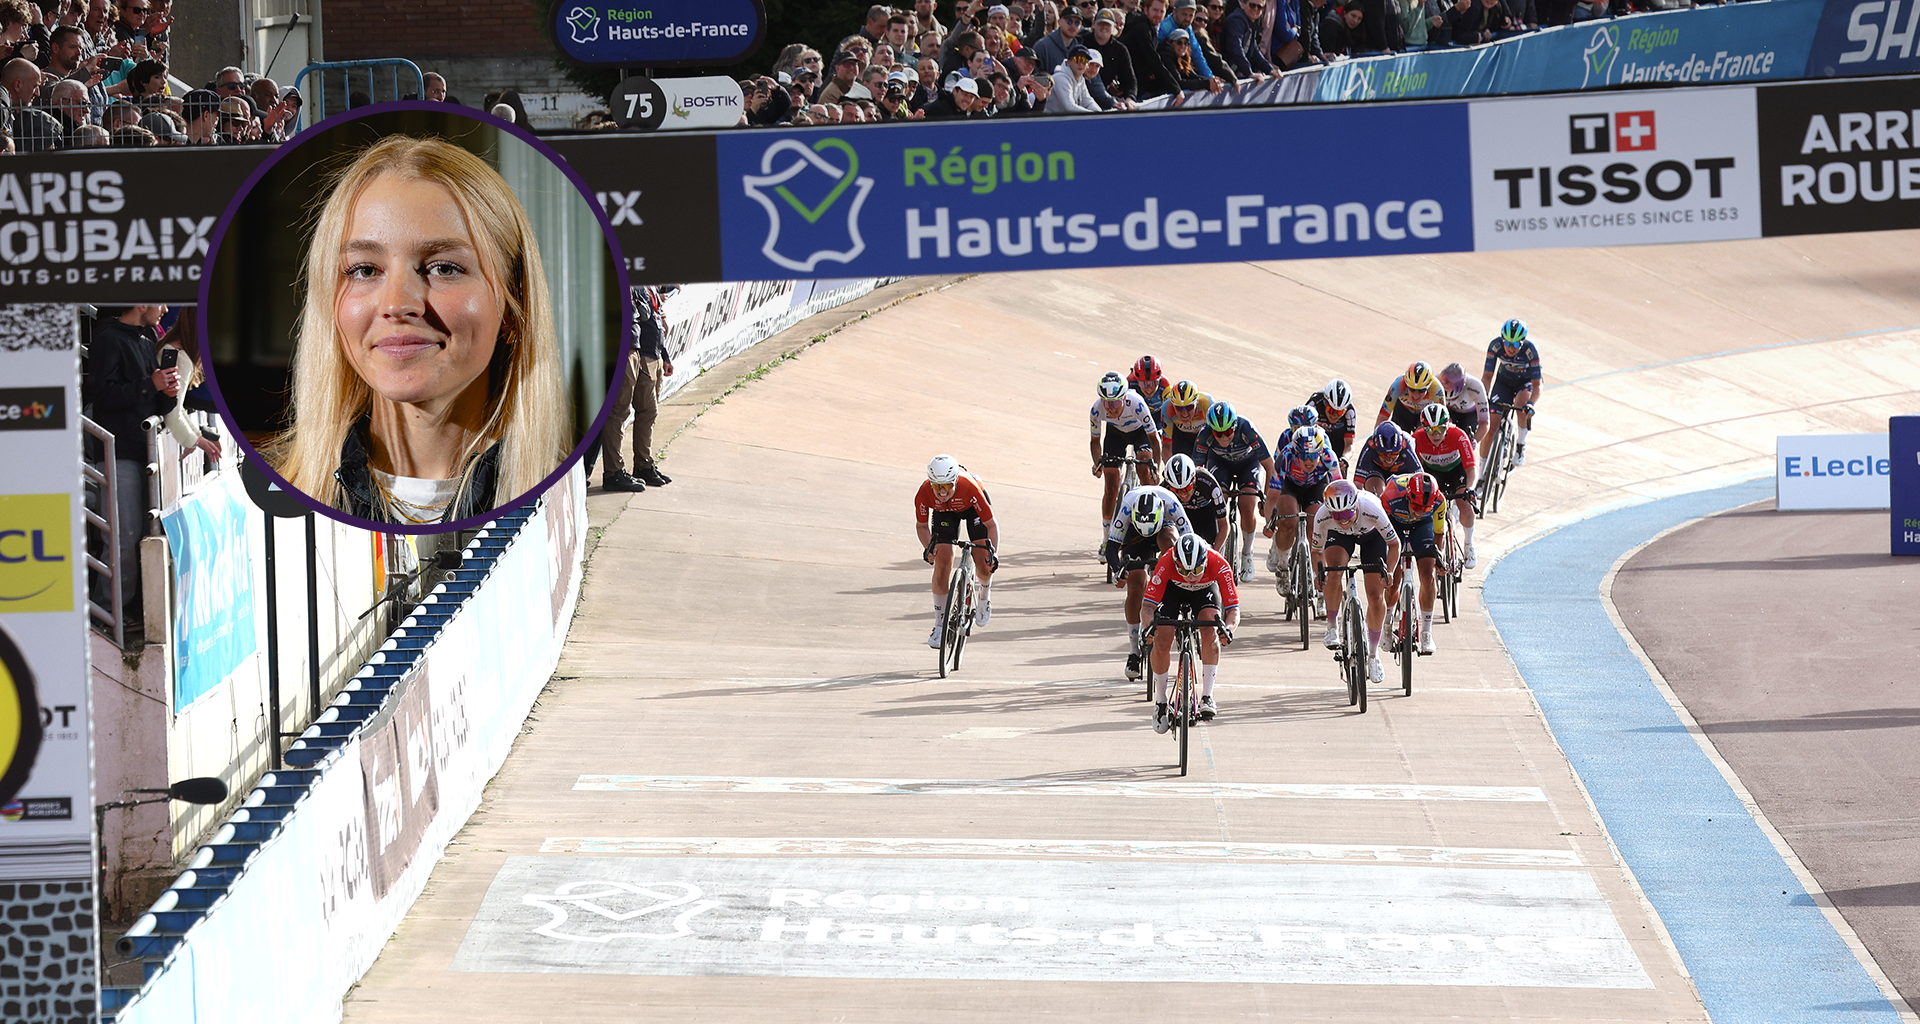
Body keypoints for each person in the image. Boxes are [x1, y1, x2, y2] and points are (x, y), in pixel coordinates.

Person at [265, 135, 570, 526]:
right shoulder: (270, 499)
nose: (396, 304)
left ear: (515, 304)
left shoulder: (561, 497)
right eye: (364, 270)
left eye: (444, 267)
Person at [86, 304, 170, 617]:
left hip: (143, 452)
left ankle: (125, 612)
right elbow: (105, 396)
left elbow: (153, 398)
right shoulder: (109, 339)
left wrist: (169, 392)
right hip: (119, 454)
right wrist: (152, 385)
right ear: (142, 303)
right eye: (160, 301)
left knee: (138, 538)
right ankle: (107, 614)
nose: (165, 309)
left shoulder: (146, 338)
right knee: (123, 539)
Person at [1144, 531, 1238, 730]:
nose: (1191, 577)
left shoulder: (1219, 564)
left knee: (1211, 630)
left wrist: (1228, 630)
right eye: (1185, 571)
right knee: (1162, 639)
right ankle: (1161, 703)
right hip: (1171, 591)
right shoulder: (1166, 562)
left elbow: (1233, 611)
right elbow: (1147, 607)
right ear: (1175, 562)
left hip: (1205, 592)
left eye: (1196, 570)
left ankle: (1208, 697)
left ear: (1205, 560)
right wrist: (1148, 628)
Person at [1313, 478, 1400, 684]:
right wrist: (1318, 574)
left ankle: (1373, 655)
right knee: (1333, 573)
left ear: (1356, 506)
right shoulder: (1322, 516)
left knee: (1376, 594)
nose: (1343, 520)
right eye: (1337, 515)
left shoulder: (1371, 508)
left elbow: (1394, 545)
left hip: (1372, 538)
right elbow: (1316, 551)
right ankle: (1332, 626)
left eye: (1347, 514)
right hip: (1340, 539)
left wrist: (1389, 571)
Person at [1102, 489, 1194, 680]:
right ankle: (1134, 650)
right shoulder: (1127, 508)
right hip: (1136, 534)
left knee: (1171, 544)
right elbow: (1110, 548)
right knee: (1135, 587)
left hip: (1164, 528)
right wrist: (1119, 570)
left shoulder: (1172, 505)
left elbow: (1190, 541)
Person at [916, 454, 1000, 647]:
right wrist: (929, 548)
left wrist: (992, 552)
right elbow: (921, 527)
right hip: (945, 513)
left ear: (955, 480)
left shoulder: (970, 487)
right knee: (942, 564)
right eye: (937, 486)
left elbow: (992, 525)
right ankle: (939, 626)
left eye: (946, 485)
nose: (942, 491)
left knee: (983, 560)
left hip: (973, 509)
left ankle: (984, 596)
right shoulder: (924, 492)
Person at [602, 285, 674, 493]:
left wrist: (664, 356)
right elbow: (643, 315)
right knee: (620, 412)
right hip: (633, 351)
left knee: (647, 412)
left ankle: (642, 465)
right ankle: (616, 471)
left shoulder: (647, 286)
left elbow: (652, 321)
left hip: (647, 351)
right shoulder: (633, 284)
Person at [1194, 399, 1273, 581]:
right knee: (1218, 499)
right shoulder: (1204, 433)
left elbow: (1269, 466)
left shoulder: (1247, 428)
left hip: (1248, 464)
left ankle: (1247, 553)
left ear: (1235, 426)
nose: (1223, 437)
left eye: (1228, 432)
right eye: (1218, 433)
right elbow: (1195, 471)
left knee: (1247, 504)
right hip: (1220, 464)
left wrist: (1266, 499)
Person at [1263, 424, 1340, 582]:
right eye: (1304, 455)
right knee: (1287, 523)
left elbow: (1340, 490)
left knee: (1316, 527)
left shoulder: (1328, 457)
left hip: (1316, 487)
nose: (1309, 461)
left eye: (1313, 455)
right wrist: (1270, 523)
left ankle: (1317, 576)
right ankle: (1283, 566)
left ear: (1320, 451)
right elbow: (1271, 498)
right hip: (1291, 487)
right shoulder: (1286, 456)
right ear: (1296, 452)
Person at [1089, 370, 1164, 532]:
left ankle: (1151, 518)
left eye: (1115, 403)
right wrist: (1097, 464)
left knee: (1145, 469)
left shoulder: (1137, 403)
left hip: (1140, 434)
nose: (1111, 408)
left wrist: (1156, 468)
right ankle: (1106, 537)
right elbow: (1095, 442)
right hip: (1115, 435)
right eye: (1107, 403)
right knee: (1110, 486)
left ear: (1124, 397)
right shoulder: (1096, 410)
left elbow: (1154, 440)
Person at [1379, 471, 1443, 655]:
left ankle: (1426, 632)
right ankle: (1387, 624)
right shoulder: (1390, 496)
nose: (1419, 511)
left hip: (1422, 527)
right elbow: (1380, 530)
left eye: (1425, 508)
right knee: (1393, 579)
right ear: (1407, 496)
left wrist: (1439, 558)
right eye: (1416, 506)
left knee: (1428, 576)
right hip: (1394, 524)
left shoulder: (1440, 502)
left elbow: (1439, 535)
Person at [1412, 403, 1478, 567]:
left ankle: (1469, 543)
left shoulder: (1458, 435)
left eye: (1440, 429)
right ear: (1423, 428)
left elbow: (1471, 468)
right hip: (1434, 475)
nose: (1435, 435)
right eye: (1430, 430)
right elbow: (1414, 470)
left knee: (1465, 503)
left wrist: (1470, 489)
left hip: (1457, 472)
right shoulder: (1417, 438)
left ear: (1447, 426)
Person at [1482, 317, 1542, 467]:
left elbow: (1537, 385)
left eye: (1515, 344)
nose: (1511, 348)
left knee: (1521, 405)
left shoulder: (1531, 351)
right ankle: (1482, 476)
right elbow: (1487, 376)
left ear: (1522, 342)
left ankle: (1521, 444)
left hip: (1525, 382)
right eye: (1508, 343)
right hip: (1504, 382)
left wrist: (1531, 404)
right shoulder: (1495, 346)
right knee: (1491, 427)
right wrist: (1483, 398)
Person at [1162, 452, 1229, 548]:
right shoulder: (1165, 488)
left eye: (1186, 488)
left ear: (1193, 481)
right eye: (1176, 490)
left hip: (1206, 514)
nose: (1182, 493)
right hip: (1182, 515)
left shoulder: (1208, 483)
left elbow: (1224, 526)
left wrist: (1216, 552)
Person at [1353, 420, 1422, 495]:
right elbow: (1357, 485)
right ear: (1375, 448)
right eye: (1384, 455)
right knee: (1377, 493)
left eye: (1394, 454)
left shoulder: (1406, 443)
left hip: (1404, 471)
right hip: (1378, 469)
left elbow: (1421, 477)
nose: (1389, 460)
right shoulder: (1370, 445)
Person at [1375, 359, 1443, 432]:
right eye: (1412, 389)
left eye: (1421, 391)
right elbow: (1383, 415)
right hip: (1403, 412)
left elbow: (1441, 419)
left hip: (1424, 414)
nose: (1415, 396)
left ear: (1429, 386)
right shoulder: (1398, 384)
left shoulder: (1437, 389)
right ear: (1406, 384)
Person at [1308, 379, 1358, 469]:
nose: (1334, 415)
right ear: (1325, 403)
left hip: (1338, 444)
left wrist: (1345, 458)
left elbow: (1349, 444)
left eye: (1340, 412)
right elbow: (1301, 431)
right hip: (1314, 442)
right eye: (1331, 410)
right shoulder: (1314, 403)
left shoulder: (1350, 412)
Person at [1438, 361, 1488, 448]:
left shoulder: (1476, 386)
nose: (1453, 401)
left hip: (1470, 414)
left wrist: (1474, 441)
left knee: (1465, 441)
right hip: (1448, 410)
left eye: (1455, 398)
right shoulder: (1437, 381)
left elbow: (1484, 423)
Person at [1161, 379, 1213, 459]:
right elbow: (1167, 445)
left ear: (1197, 402)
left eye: (1189, 407)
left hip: (1204, 435)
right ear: (1173, 405)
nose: (1184, 413)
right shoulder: (1167, 409)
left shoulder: (1208, 404)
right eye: (1179, 408)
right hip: (1182, 437)